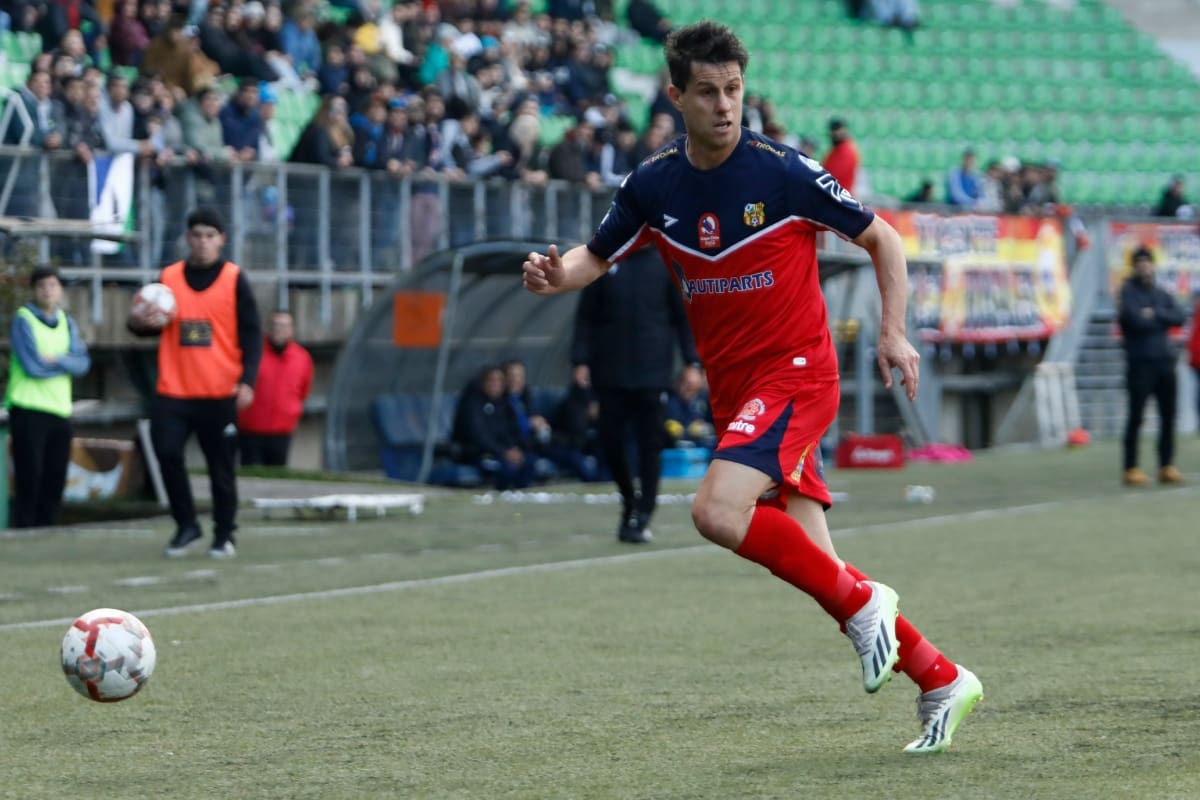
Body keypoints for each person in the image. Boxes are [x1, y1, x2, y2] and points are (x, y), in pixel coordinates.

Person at [522, 21, 981, 753]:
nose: (724, 106)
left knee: (714, 511)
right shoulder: (653, 186)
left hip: (798, 374)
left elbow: (882, 238)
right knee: (821, 567)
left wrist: (894, 333)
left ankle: (869, 607)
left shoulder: (785, 172)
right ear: (676, 96)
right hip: (738, 395)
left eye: (733, 90)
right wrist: (557, 275)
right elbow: (593, 256)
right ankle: (941, 677)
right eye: (706, 92)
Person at [128, 207, 262, 559]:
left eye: (210, 236)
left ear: (221, 240)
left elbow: (251, 334)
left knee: (221, 469)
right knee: (167, 454)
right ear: (187, 238)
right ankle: (187, 524)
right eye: (197, 235)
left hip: (219, 393)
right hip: (175, 390)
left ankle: (224, 534)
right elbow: (144, 328)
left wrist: (247, 380)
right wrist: (140, 321)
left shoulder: (234, 279)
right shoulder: (168, 278)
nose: (203, 242)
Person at [572, 245, 700, 543]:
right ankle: (629, 498)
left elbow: (683, 318)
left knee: (650, 444)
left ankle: (644, 509)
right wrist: (580, 359)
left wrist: (692, 362)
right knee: (611, 441)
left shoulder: (665, 263)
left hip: (653, 372)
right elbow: (585, 316)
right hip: (610, 370)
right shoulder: (604, 261)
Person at [4, 266, 91, 528]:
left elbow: (83, 364)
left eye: (53, 285)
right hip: (29, 408)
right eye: (42, 286)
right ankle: (24, 529)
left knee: (55, 477)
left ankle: (47, 529)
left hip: (60, 410)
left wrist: (58, 359)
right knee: (30, 476)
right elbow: (33, 366)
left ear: (60, 289)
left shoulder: (67, 321)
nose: (48, 291)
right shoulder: (23, 319)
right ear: (34, 290)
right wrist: (67, 362)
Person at [1118, 246, 1185, 486]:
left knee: (1168, 416)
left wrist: (1153, 313)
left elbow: (1178, 316)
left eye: (1148, 261)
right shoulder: (1128, 291)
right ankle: (1131, 467)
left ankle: (1166, 465)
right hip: (1140, 364)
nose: (1145, 265)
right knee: (1136, 416)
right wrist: (1158, 316)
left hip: (1165, 362)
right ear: (1134, 265)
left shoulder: (1160, 293)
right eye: (1141, 261)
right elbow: (1133, 319)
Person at [237, 310, 313, 467]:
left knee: (278, 472)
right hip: (252, 428)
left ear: (292, 329)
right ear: (268, 329)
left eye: (284, 326)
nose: (280, 330)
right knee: (251, 472)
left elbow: (304, 390)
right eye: (276, 325)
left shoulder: (302, 357)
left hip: (282, 429)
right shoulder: (254, 353)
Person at [451, 364, 535, 490]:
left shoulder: (504, 404)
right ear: (483, 383)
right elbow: (478, 436)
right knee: (506, 468)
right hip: (480, 454)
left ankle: (520, 496)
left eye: (500, 380)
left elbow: (512, 430)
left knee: (528, 462)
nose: (496, 384)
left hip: (503, 453)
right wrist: (503, 452)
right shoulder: (473, 405)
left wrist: (515, 449)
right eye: (492, 380)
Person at [821, 117, 859, 195]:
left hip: (840, 196)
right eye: (833, 130)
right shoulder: (836, 149)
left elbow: (834, 175)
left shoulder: (847, 150)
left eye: (837, 129)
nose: (835, 133)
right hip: (833, 194)